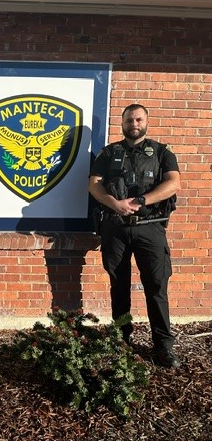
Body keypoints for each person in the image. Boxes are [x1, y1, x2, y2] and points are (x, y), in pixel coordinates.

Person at [88, 103, 181, 368]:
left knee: (157, 287)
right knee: (119, 286)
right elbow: (93, 184)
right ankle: (121, 340)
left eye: (138, 119)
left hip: (150, 227)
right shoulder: (109, 153)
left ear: (146, 122)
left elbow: (173, 183)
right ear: (123, 123)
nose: (134, 124)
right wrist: (113, 203)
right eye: (129, 120)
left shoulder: (162, 152)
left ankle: (163, 346)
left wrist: (142, 200)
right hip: (116, 226)